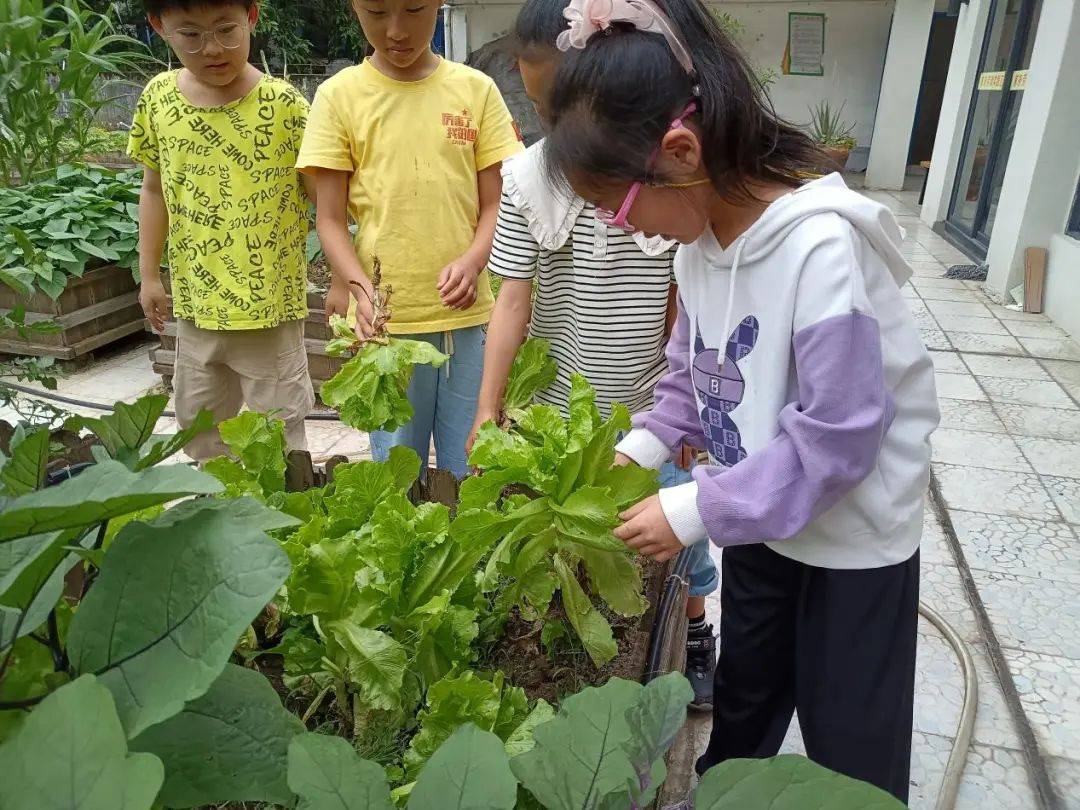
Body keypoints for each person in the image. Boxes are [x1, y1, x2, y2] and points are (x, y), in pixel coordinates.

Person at [542, 0, 940, 801]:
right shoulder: (699, 247)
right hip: (758, 512)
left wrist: (691, 512)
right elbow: (692, 378)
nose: (630, 235)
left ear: (680, 151)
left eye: (620, 212)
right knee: (749, 697)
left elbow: (838, 439)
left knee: (848, 732)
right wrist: (641, 449)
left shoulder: (820, 249)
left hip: (851, 540)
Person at [467, 0, 719, 712]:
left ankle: (694, 630)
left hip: (650, 402)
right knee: (575, 528)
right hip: (558, 411)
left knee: (675, 535)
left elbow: (682, 301)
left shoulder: (654, 174)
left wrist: (689, 406)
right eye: (544, 107)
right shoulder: (526, 180)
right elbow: (511, 299)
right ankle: (583, 631)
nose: (559, 127)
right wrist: (488, 407)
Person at [297, 0, 523, 478]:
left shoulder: (476, 90)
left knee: (473, 463)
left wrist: (475, 258)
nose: (396, 30)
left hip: (466, 316)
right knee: (399, 472)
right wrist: (359, 289)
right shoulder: (339, 96)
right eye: (376, 14)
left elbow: (495, 204)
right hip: (387, 325)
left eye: (414, 10)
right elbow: (330, 220)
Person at [131, 0, 315, 461]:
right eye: (190, 36)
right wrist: (149, 274)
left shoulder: (285, 105)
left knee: (281, 435)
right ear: (159, 26)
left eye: (226, 30)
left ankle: (282, 523)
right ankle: (214, 517)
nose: (212, 49)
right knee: (199, 428)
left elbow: (324, 198)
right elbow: (154, 191)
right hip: (196, 311)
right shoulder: (158, 98)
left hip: (271, 309)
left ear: (252, 17)